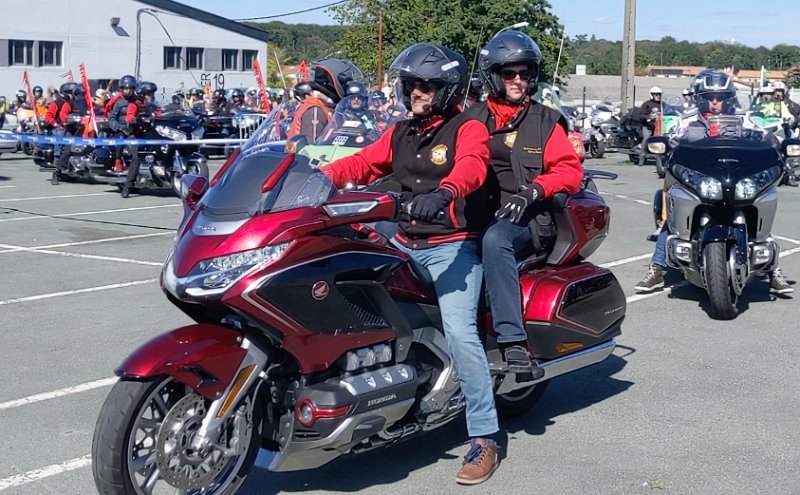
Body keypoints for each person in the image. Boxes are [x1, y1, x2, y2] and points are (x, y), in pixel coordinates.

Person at [319, 42, 501, 485]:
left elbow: (473, 166)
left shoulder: (467, 126)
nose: (415, 92)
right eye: (410, 84)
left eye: (425, 85)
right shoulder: (402, 132)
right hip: (401, 239)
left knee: (460, 332)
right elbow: (361, 163)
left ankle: (484, 437)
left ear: (447, 89)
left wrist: (446, 192)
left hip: (451, 244)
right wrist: (308, 178)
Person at [468, 31, 583, 384]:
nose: (518, 80)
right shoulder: (471, 118)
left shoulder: (545, 121)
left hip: (527, 217)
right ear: (493, 76)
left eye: (524, 73)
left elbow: (570, 171)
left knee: (495, 240)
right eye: (509, 74)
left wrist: (534, 191)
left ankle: (512, 341)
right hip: (477, 212)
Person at [635, 71, 793, 293]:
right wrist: (666, 146)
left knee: (758, 214)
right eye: (710, 97)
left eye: (721, 97)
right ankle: (657, 268)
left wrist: (777, 142)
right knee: (672, 218)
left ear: (729, 98)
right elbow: (672, 141)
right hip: (699, 179)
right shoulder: (687, 120)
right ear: (701, 98)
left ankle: (773, 269)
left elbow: (765, 136)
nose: (715, 102)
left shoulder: (744, 118)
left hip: (733, 177)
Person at [287, 57, 362, 141]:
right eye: (345, 82)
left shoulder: (326, 105)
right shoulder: (316, 111)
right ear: (331, 82)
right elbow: (311, 146)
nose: (348, 86)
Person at [107, 75, 141, 191]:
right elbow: (112, 118)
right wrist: (118, 127)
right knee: (120, 138)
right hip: (121, 129)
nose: (128, 91)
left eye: (130, 88)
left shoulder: (137, 101)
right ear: (121, 89)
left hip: (134, 129)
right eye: (125, 88)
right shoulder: (119, 102)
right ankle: (118, 160)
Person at [50, 82, 81, 185]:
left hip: (85, 130)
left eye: (82, 94)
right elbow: (63, 115)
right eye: (79, 94)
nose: (81, 96)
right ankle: (57, 172)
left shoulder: (86, 104)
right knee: (68, 149)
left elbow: (97, 111)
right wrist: (71, 119)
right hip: (71, 129)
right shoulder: (68, 104)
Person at [638, 85, 663, 163]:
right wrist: (649, 117)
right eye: (657, 94)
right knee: (647, 138)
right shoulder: (647, 104)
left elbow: (669, 111)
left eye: (660, 94)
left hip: (660, 126)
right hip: (648, 125)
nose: (658, 96)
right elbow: (641, 115)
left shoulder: (663, 104)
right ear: (652, 94)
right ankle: (642, 157)